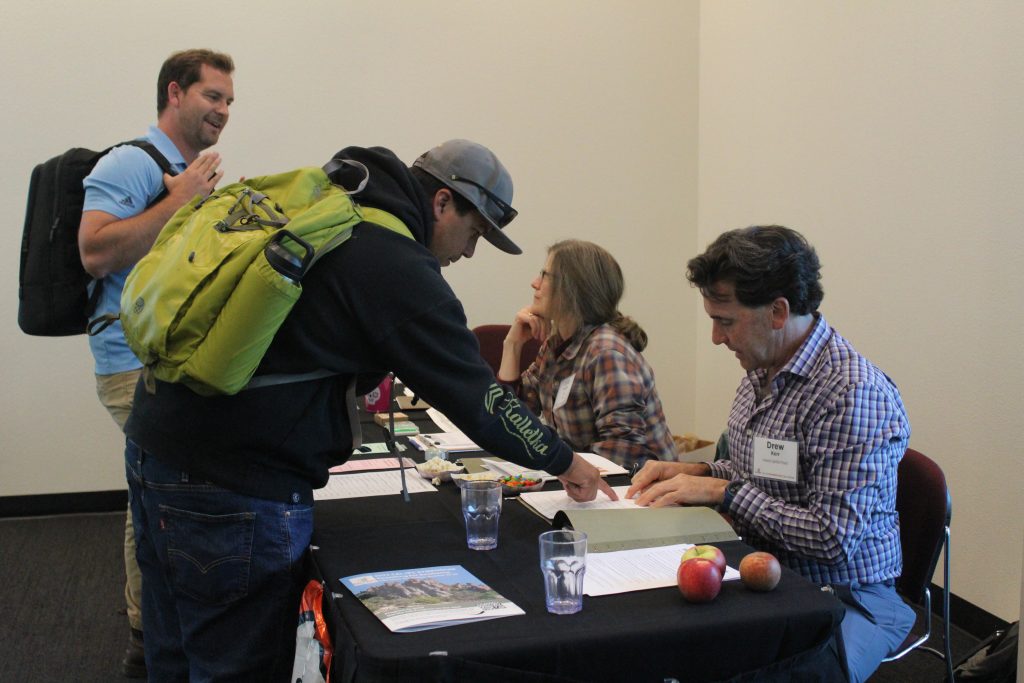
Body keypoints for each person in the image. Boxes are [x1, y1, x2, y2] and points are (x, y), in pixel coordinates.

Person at [124, 139, 616, 681]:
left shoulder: (333, 208)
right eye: (474, 233)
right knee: (235, 665)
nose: (469, 253)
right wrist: (564, 460)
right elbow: (481, 401)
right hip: (235, 481)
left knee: (171, 649)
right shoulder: (393, 262)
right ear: (443, 203)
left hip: (156, 443)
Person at [626, 225, 915, 683]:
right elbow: (756, 473)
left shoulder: (851, 393)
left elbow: (831, 540)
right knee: (645, 642)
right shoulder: (762, 368)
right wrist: (696, 471)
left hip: (843, 596)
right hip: (763, 572)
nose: (717, 338)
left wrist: (723, 491)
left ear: (778, 311)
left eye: (726, 320)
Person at [77, 48, 234, 678]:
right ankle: (163, 634)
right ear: (175, 93)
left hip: (165, 360)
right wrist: (181, 200)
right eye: (212, 97)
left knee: (148, 490)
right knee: (170, 486)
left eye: (228, 100)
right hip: (128, 363)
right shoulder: (129, 163)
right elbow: (94, 251)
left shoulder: (181, 167)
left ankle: (148, 631)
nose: (223, 111)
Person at [498, 239, 677, 470]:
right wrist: (512, 345)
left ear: (572, 288)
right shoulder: (556, 344)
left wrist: (559, 464)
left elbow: (622, 454)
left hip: (638, 493)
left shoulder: (606, 353)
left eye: (545, 275)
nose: (534, 283)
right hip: (590, 484)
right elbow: (513, 419)